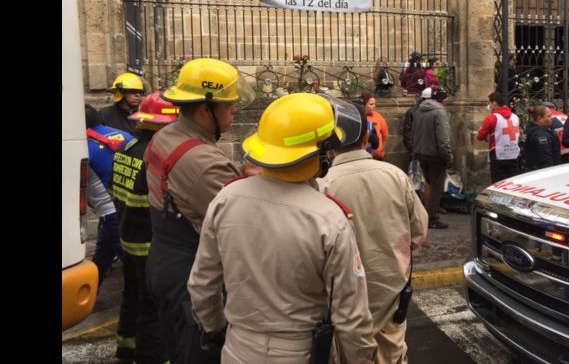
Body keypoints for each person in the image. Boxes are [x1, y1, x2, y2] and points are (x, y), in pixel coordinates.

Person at [188, 93, 377, 363]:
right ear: (321, 152)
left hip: (237, 347)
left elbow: (202, 285)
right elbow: (352, 317)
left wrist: (215, 330)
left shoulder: (226, 199)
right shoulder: (329, 218)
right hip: (300, 352)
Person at [144, 58, 255, 364]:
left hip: (163, 263)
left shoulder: (165, 135)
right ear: (206, 109)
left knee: (177, 350)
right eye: (229, 105)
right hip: (189, 276)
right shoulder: (205, 163)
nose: (235, 110)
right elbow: (244, 223)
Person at [318, 102, 429, 364]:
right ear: (367, 136)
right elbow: (419, 233)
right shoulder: (395, 176)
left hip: (346, 307)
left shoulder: (323, 187)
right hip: (390, 297)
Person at [109, 91, 178, 364]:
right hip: (150, 242)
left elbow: (114, 189)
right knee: (152, 307)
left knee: (132, 296)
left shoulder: (126, 148)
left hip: (128, 236)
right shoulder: (155, 155)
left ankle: (126, 348)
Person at [85, 104, 133, 290]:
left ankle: (151, 303)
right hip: (131, 206)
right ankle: (90, 292)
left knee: (133, 267)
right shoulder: (125, 136)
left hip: (112, 213)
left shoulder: (83, 148)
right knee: (102, 256)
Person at [412, 87, 452, 229]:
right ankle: (432, 219)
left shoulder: (419, 110)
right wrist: (448, 156)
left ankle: (423, 214)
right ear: (442, 100)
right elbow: (443, 139)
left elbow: (414, 132)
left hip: (421, 153)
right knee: (436, 187)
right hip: (435, 155)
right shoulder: (439, 112)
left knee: (428, 184)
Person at [476, 92, 521, 183]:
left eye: (489, 103)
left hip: (498, 155)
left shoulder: (491, 118)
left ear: (494, 103)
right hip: (513, 155)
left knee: (498, 183)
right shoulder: (515, 117)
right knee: (513, 183)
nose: (488, 105)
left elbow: (480, 136)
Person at [523, 104, 561, 171]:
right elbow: (545, 158)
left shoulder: (531, 130)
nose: (551, 118)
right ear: (539, 118)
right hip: (544, 171)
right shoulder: (541, 135)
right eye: (548, 116)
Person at [360, 91, 389, 160]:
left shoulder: (378, 116)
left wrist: (379, 147)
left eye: (374, 104)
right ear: (364, 104)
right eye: (371, 104)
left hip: (377, 156)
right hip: (364, 157)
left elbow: (384, 135)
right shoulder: (359, 117)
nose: (374, 106)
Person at [402, 87, 431, 155]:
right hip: (418, 149)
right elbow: (407, 132)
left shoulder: (434, 111)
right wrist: (411, 149)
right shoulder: (412, 112)